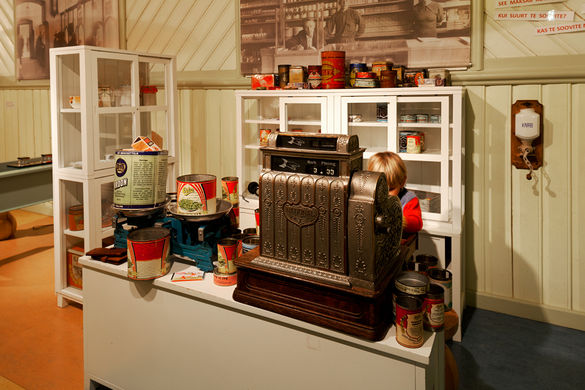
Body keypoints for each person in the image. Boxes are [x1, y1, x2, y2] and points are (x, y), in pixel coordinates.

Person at [367, 151, 423, 233]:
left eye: (391, 189)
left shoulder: (408, 199)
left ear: (402, 182)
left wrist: (397, 220)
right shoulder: (369, 196)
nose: (385, 195)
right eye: (379, 190)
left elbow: (417, 223)